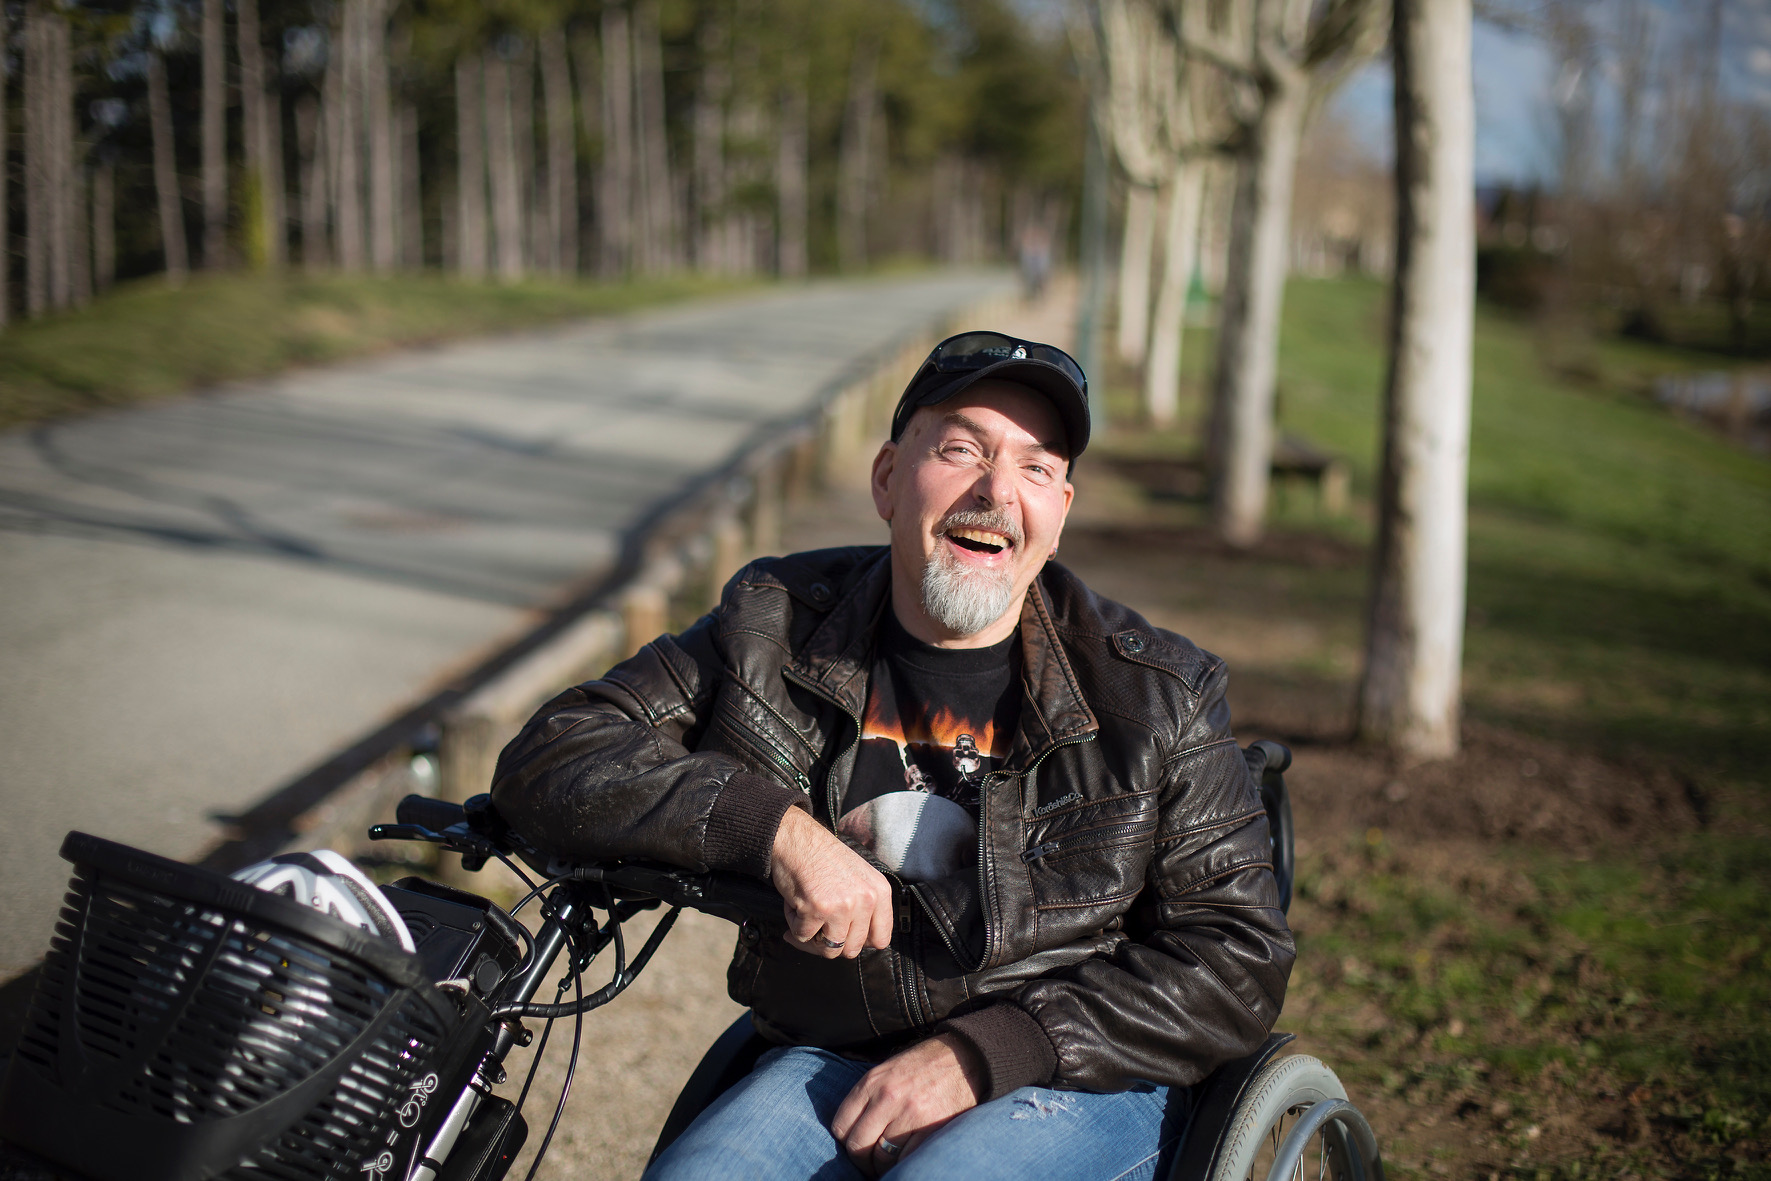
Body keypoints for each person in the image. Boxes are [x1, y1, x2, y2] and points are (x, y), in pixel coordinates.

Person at [490, 331, 1294, 1180]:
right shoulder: (773, 626)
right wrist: (776, 832)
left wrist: (991, 1049)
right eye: (960, 450)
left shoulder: (1158, 690)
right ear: (885, 478)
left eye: (1033, 467)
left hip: (1075, 1070)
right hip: (837, 1052)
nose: (994, 492)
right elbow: (556, 752)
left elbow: (1236, 955)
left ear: (1059, 510)